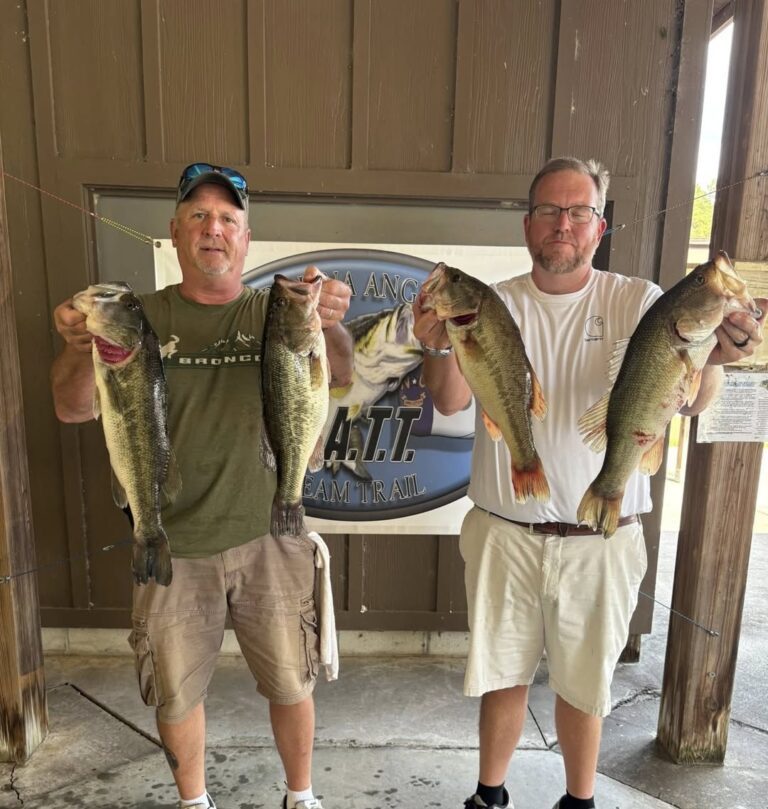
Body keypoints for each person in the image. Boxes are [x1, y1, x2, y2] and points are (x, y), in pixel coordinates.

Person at [412, 156, 766, 809]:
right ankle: (489, 795)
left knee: (586, 684)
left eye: (578, 212)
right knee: (501, 675)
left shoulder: (639, 299)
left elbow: (691, 396)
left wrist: (718, 355)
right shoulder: (498, 301)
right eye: (549, 210)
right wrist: (438, 345)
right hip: (504, 530)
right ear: (528, 225)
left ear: (599, 227)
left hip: (604, 534)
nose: (563, 224)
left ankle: (579, 800)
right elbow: (452, 400)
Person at [50, 162, 353, 809]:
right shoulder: (138, 316)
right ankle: (194, 801)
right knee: (176, 689)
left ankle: (301, 795)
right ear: (176, 231)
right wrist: (82, 344)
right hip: (171, 542)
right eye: (198, 217)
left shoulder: (274, 309)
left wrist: (327, 320)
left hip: (270, 532)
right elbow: (73, 407)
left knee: (292, 681)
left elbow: (339, 373)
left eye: (227, 219)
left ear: (245, 237)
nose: (213, 229)